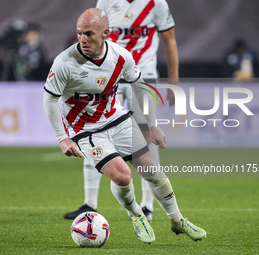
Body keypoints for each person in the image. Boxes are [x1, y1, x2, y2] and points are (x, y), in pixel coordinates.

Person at [43, 8, 206, 243]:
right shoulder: (64, 63)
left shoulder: (120, 56)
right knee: (122, 176)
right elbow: (49, 98)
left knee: (151, 169)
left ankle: (177, 220)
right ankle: (136, 213)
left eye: (89, 33)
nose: (82, 39)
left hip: (116, 118)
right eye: (79, 33)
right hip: (86, 129)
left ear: (106, 33)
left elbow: (140, 86)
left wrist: (152, 125)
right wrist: (63, 137)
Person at [64, 0, 179, 221]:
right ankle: (90, 204)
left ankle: (147, 205)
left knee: (147, 137)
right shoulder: (106, 1)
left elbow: (170, 42)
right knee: (93, 131)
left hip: (143, 77)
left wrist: (173, 83)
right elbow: (95, 35)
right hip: (109, 75)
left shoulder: (156, 3)